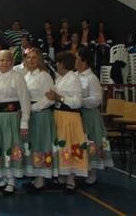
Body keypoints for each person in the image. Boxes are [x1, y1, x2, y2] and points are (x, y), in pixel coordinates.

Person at [0, 50, 31, 195]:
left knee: (11, 146)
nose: (4, 63)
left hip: (11, 118)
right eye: (1, 60)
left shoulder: (17, 77)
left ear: (12, 62)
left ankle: (11, 180)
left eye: (7, 60)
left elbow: (25, 101)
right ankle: (4, 178)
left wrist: (24, 122)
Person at [46, 51, 88, 193]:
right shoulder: (61, 78)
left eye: (58, 62)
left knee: (69, 146)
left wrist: (60, 98)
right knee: (61, 146)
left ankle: (71, 179)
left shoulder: (73, 79)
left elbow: (77, 102)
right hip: (59, 115)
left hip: (69, 117)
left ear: (63, 64)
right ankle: (63, 176)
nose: (56, 65)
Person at [76, 47, 113, 186]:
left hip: (89, 114)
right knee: (80, 141)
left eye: (77, 59)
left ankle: (92, 172)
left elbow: (97, 99)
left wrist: (80, 101)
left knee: (92, 140)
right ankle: (80, 167)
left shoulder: (92, 78)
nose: (75, 61)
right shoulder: (74, 76)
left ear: (84, 61)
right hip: (77, 114)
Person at [23, 48, 57, 193]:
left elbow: (50, 98)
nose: (31, 60)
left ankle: (41, 180)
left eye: (34, 58)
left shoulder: (44, 76)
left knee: (41, 144)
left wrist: (33, 108)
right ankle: (36, 176)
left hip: (41, 115)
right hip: (31, 115)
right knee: (33, 145)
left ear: (40, 60)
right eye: (29, 57)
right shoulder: (27, 76)